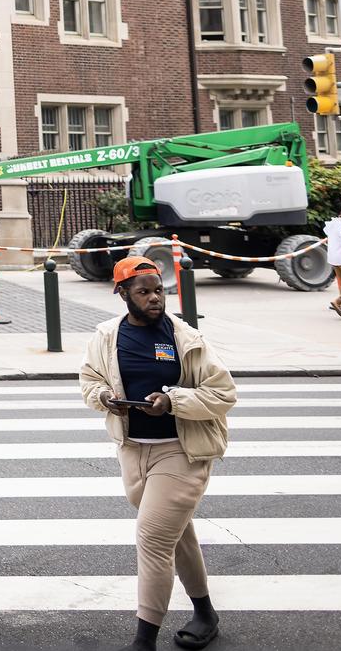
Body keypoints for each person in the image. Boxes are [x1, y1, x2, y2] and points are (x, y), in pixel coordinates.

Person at [79, 256, 236, 651]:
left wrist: (172, 401)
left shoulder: (186, 339)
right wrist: (104, 397)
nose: (154, 298)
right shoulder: (106, 336)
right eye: (143, 291)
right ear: (122, 294)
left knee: (152, 538)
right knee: (178, 535)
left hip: (182, 451)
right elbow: (89, 380)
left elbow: (224, 394)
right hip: (132, 450)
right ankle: (206, 614)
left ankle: (143, 639)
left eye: (158, 289)